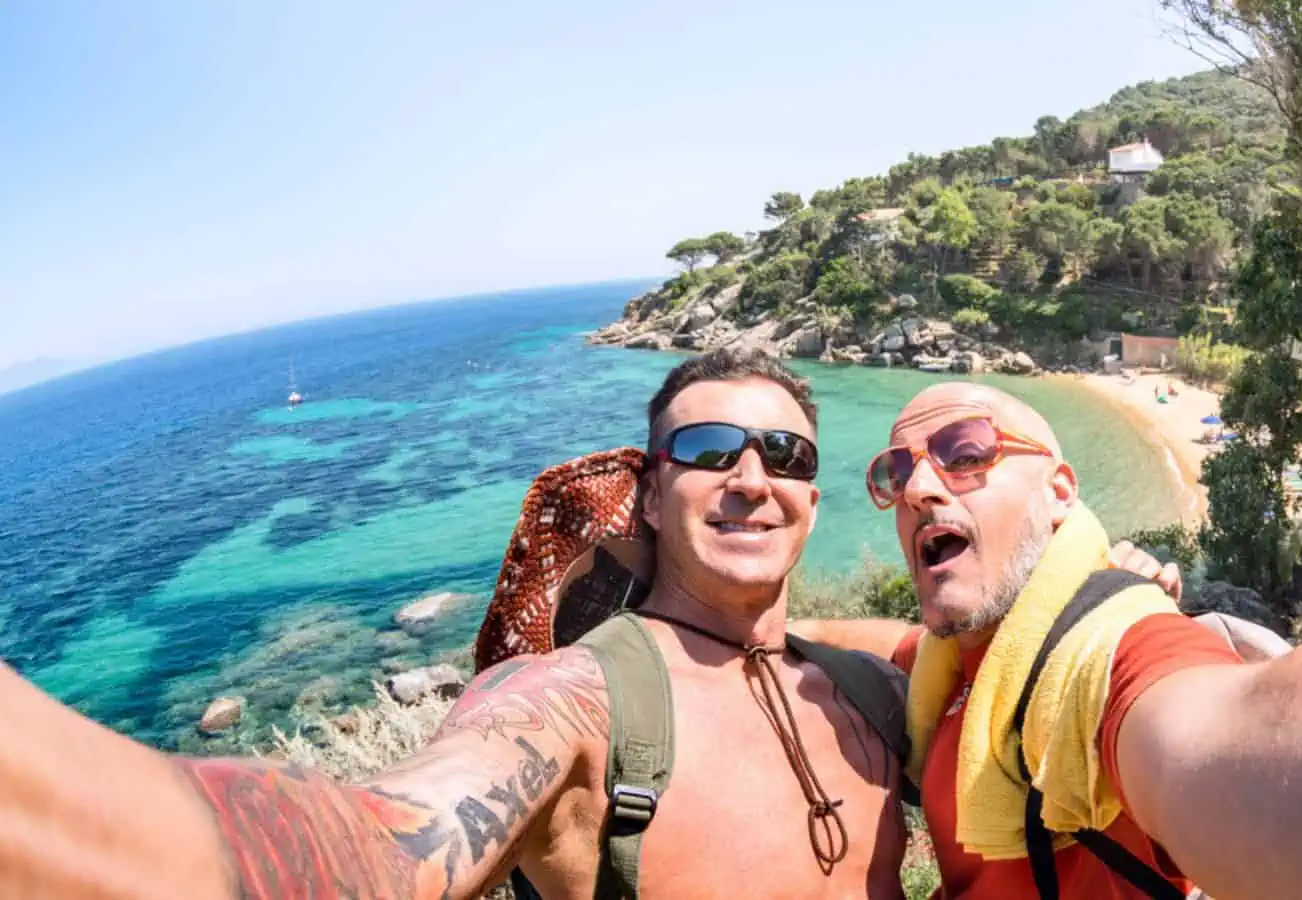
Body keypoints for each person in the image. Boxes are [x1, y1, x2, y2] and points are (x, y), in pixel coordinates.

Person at [0, 346, 1177, 900]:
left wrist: (1102, 578)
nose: (750, 476)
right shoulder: (576, 704)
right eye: (708, 450)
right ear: (650, 491)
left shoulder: (865, 683)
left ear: (816, 497)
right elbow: (377, 840)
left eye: (785, 454)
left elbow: (1019, 643)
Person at [792, 379, 1302, 900]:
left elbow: (1245, 730)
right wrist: (741, 622)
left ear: (1062, 491)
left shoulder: (1116, 653)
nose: (921, 487)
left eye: (964, 454)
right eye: (897, 473)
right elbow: (881, 639)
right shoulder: (963, 660)